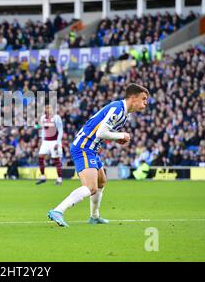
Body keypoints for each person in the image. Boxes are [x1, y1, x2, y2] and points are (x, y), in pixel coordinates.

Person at [47, 83, 149, 227]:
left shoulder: (125, 115)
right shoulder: (117, 109)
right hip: (84, 147)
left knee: (101, 182)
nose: (146, 103)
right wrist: (120, 135)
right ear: (133, 98)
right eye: (143, 99)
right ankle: (58, 210)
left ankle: (94, 217)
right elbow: (101, 132)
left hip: (92, 149)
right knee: (91, 187)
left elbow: (102, 132)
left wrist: (117, 138)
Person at [36, 105, 64, 185]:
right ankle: (42, 177)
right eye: (47, 108)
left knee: (56, 160)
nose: (48, 109)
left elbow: (60, 130)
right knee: (40, 157)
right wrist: (41, 140)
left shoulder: (56, 118)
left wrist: (58, 142)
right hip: (46, 141)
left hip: (54, 141)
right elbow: (42, 129)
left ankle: (59, 179)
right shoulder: (43, 118)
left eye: (50, 108)